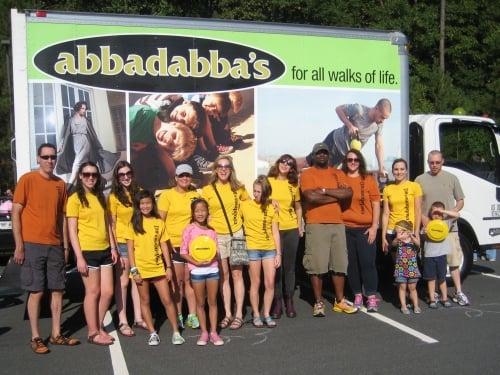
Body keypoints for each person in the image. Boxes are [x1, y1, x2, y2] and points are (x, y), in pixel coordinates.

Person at [12, 143, 80, 354]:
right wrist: (19, 245)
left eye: (53, 157)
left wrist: (65, 245)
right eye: (46, 157)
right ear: (38, 158)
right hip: (32, 244)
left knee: (58, 289)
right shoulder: (27, 179)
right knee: (37, 291)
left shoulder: (60, 184)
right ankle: (35, 337)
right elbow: (16, 213)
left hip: (55, 246)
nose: (50, 160)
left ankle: (56, 333)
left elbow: (61, 217)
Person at [300, 142, 357, 317]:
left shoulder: (338, 173)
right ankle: (318, 302)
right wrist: (335, 196)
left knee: (339, 264)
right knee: (316, 266)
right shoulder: (308, 174)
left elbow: (348, 193)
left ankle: (339, 301)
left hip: (337, 224)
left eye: (324, 152)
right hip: (316, 224)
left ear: (329, 155)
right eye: (319, 153)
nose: (322, 155)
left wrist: (324, 191)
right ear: (314, 155)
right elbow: (310, 197)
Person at [66, 162, 118, 346]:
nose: (90, 178)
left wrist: (112, 247)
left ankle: (98, 326)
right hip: (87, 251)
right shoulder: (74, 199)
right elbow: (72, 231)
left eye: (94, 175)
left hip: (104, 249)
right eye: (87, 174)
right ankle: (93, 332)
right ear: (80, 176)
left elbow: (108, 225)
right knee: (93, 292)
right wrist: (78, 256)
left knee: (108, 292)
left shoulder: (100, 197)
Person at [125, 190, 185, 346]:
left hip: (158, 268)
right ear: (138, 205)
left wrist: (169, 267)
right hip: (141, 270)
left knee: (167, 300)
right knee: (145, 301)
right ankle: (152, 333)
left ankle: (176, 332)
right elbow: (130, 250)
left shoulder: (159, 222)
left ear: (153, 204)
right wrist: (134, 270)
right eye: (142, 203)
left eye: (148, 203)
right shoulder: (133, 224)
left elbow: (164, 246)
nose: (145, 206)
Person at [415, 150, 469, 306]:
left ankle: (458, 292)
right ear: (428, 162)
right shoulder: (420, 180)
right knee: (430, 263)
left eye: (437, 162)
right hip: (429, 230)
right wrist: (426, 223)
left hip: (450, 229)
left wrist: (452, 213)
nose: (434, 165)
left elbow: (460, 201)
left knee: (453, 262)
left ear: (442, 161)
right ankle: (435, 294)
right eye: (431, 162)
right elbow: (418, 205)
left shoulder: (452, 178)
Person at [201, 156, 249, 330]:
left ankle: (238, 315)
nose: (223, 169)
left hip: (236, 234)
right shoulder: (207, 190)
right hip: (217, 237)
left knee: (237, 275)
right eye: (219, 166)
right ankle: (227, 313)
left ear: (231, 169)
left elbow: (251, 206)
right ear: (215, 169)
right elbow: (200, 212)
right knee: (223, 277)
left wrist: (270, 202)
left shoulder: (239, 188)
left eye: (226, 166)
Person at [158, 164, 200, 330]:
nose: (184, 178)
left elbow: (200, 218)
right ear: (175, 177)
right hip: (173, 245)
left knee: (191, 282)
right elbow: (160, 222)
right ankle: (178, 315)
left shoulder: (195, 195)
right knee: (178, 283)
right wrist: (166, 244)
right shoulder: (166, 196)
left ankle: (192, 315)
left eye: (188, 176)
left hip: (191, 246)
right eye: (181, 175)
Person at [305, 99, 391, 176]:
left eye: (385, 119)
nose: (382, 121)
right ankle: (294, 168)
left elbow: (379, 145)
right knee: (309, 163)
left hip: (343, 154)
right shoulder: (359, 110)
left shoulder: (379, 124)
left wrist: (381, 167)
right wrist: (350, 125)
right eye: (382, 117)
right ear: (376, 108)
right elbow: (338, 109)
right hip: (334, 142)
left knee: (323, 174)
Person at [341, 149, 381, 312]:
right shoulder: (340, 177)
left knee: (368, 264)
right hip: (346, 228)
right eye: (350, 159)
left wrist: (374, 226)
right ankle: (357, 294)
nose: (353, 162)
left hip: (365, 229)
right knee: (352, 265)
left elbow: (376, 203)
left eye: (356, 160)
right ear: (346, 161)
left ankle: (371, 296)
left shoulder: (369, 179)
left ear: (360, 161)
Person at [180, 198, 224, 346]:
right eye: (197, 211)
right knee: (200, 303)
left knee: (212, 302)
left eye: (203, 210)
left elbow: (216, 252)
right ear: (193, 213)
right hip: (197, 271)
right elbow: (183, 252)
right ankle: (204, 332)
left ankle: (213, 332)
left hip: (212, 269)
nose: (200, 213)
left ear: (207, 212)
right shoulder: (189, 229)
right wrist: (196, 262)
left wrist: (214, 255)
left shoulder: (212, 231)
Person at [108, 161, 145, 336]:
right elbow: (112, 224)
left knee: (136, 280)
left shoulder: (138, 192)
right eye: (121, 174)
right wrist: (114, 247)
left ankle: (138, 318)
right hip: (122, 242)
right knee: (122, 282)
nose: (125, 177)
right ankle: (123, 321)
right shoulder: (114, 196)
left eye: (128, 173)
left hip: (138, 242)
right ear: (117, 177)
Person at [241, 176, 281, 328]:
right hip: (252, 249)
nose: (256, 194)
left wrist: (278, 253)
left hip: (269, 249)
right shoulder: (245, 205)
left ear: (266, 193)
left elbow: (275, 231)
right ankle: (256, 314)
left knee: (270, 283)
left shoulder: (271, 207)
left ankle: (267, 314)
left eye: (259, 192)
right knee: (255, 283)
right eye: (255, 191)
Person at [267, 154, 303, 318]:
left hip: (291, 229)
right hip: (274, 230)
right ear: (278, 162)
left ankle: (289, 300)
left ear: (292, 168)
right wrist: (269, 201)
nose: (285, 165)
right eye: (283, 161)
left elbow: (298, 207)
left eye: (289, 163)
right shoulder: (269, 181)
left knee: (289, 267)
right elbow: (259, 199)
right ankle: (277, 302)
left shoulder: (293, 184)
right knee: (277, 268)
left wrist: (300, 225)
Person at [56, 101, 119, 184]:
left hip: (85, 141)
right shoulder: (70, 120)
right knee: (86, 162)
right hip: (75, 142)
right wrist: (61, 145)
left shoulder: (86, 120)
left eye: (85, 109)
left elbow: (92, 133)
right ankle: (99, 179)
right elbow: (64, 134)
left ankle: (70, 184)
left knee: (77, 162)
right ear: (78, 108)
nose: (84, 110)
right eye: (82, 108)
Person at [381, 158, 422, 254]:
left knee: (409, 264)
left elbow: (418, 211)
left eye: (402, 169)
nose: (399, 172)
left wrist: (416, 232)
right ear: (392, 171)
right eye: (396, 169)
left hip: (409, 231)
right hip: (392, 232)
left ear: (406, 171)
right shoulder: (387, 189)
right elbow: (386, 214)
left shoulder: (415, 186)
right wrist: (383, 236)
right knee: (396, 265)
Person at [423, 201, 459, 308]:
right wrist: (424, 232)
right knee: (431, 279)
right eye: (434, 213)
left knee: (442, 278)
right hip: (429, 256)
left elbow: (457, 215)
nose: (437, 215)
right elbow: (423, 237)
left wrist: (442, 211)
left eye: (439, 213)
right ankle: (432, 299)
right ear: (430, 213)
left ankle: (444, 298)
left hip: (441, 255)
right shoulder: (428, 224)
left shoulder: (446, 223)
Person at [392, 220, 421, 314]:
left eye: (400, 232)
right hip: (401, 268)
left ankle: (416, 306)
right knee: (402, 287)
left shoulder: (412, 240)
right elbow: (393, 244)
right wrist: (398, 238)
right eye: (397, 232)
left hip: (412, 268)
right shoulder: (398, 241)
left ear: (406, 231)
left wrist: (411, 236)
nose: (398, 234)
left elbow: (418, 245)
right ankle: (404, 306)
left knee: (412, 288)